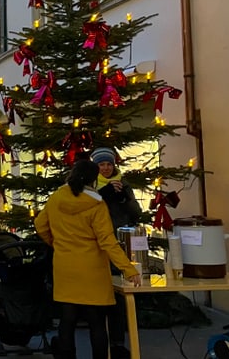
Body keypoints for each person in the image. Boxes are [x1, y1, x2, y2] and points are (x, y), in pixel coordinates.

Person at [34, 160, 141, 359]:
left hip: (65, 266)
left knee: (67, 319)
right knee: (97, 323)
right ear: (93, 180)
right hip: (92, 268)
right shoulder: (96, 204)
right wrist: (129, 269)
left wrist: (56, 244)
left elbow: (40, 224)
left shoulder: (56, 198)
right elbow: (107, 241)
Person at [91, 147, 142, 358]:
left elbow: (136, 213)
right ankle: (101, 341)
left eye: (109, 164)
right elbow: (88, 208)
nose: (105, 168)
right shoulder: (90, 186)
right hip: (98, 247)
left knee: (119, 297)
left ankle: (118, 342)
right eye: (101, 165)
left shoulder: (124, 184)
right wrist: (104, 195)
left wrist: (124, 197)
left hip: (120, 244)